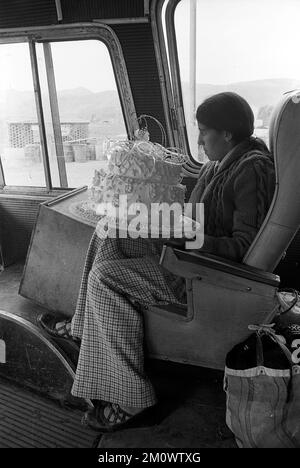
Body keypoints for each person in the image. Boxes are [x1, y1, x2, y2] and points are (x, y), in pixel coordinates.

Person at [39, 92, 275, 431]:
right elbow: (194, 217)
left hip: (204, 276)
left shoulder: (252, 171)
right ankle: (83, 327)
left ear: (227, 133)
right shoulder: (222, 164)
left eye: (204, 132)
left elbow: (243, 247)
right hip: (190, 255)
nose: (199, 141)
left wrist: (183, 238)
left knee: (105, 276)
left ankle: (132, 398)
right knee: (109, 234)